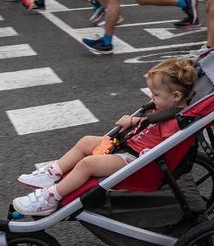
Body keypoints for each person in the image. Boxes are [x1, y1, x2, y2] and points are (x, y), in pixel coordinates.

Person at [10, 58, 197, 215]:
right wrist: (134, 121)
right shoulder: (163, 107)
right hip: (128, 146)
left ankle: (52, 197)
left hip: (135, 160)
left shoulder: (173, 121)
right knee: (86, 141)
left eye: (155, 94)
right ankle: (52, 173)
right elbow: (150, 122)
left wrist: (143, 143)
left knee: (87, 164)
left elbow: (166, 146)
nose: (151, 97)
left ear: (175, 96)